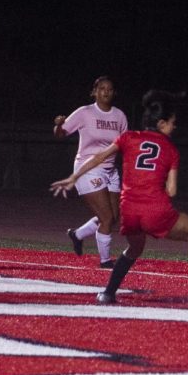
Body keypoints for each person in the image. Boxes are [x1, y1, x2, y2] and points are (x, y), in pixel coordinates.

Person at [50, 89, 188, 305]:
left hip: (129, 211)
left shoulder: (128, 137)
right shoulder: (171, 150)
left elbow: (99, 156)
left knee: (134, 248)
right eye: (172, 122)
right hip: (154, 209)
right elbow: (172, 191)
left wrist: (74, 176)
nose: (174, 126)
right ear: (162, 124)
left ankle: (108, 293)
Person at [53, 77, 128, 268]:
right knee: (106, 218)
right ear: (94, 92)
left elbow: (124, 145)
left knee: (113, 218)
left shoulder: (119, 116)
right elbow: (60, 133)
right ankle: (105, 261)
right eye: (102, 89)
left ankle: (77, 235)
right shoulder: (84, 112)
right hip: (88, 169)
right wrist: (59, 125)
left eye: (110, 89)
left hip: (111, 171)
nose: (106, 92)